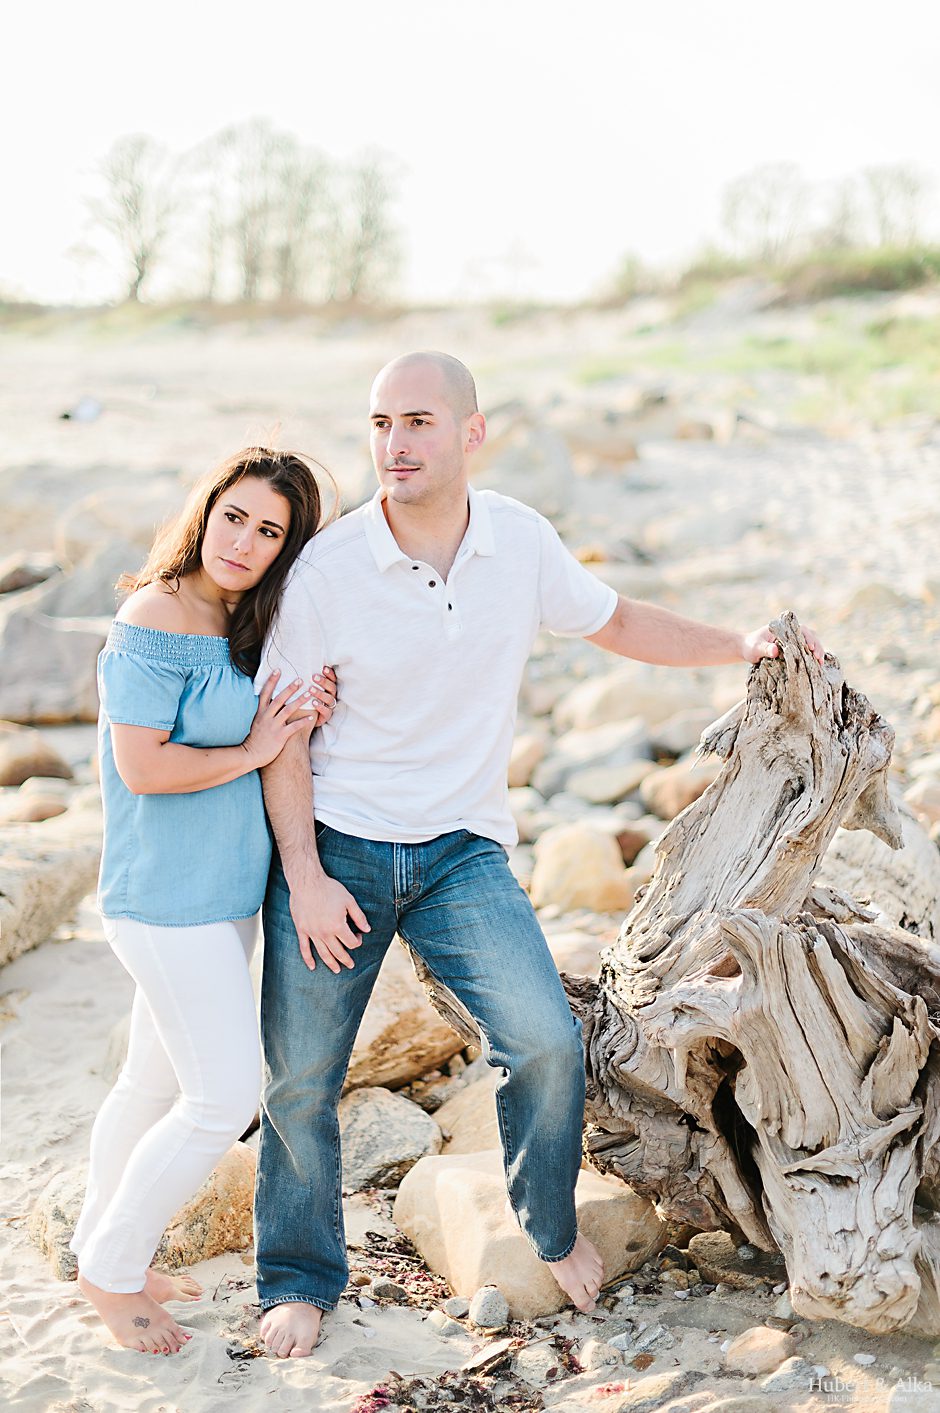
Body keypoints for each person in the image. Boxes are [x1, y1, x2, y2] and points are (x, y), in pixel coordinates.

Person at [253, 353, 824, 1359]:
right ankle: (298, 1279)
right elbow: (286, 733)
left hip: (461, 851)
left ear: (472, 434)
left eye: (419, 422)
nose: (395, 444)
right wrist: (301, 876)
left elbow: (617, 621)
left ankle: (547, 1227)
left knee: (548, 1043)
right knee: (302, 1076)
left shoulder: (518, 541)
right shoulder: (329, 570)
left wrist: (742, 644)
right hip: (340, 846)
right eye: (381, 423)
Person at [70, 448, 339, 1355]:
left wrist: (302, 708)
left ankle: (103, 1247)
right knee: (220, 1099)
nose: (245, 540)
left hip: (222, 900)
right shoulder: (153, 613)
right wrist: (256, 747)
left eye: (270, 531)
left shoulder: (243, 622)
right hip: (162, 902)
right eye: (236, 516)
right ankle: (110, 1272)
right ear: (206, 509)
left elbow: (260, 721)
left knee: (147, 1083)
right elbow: (143, 767)